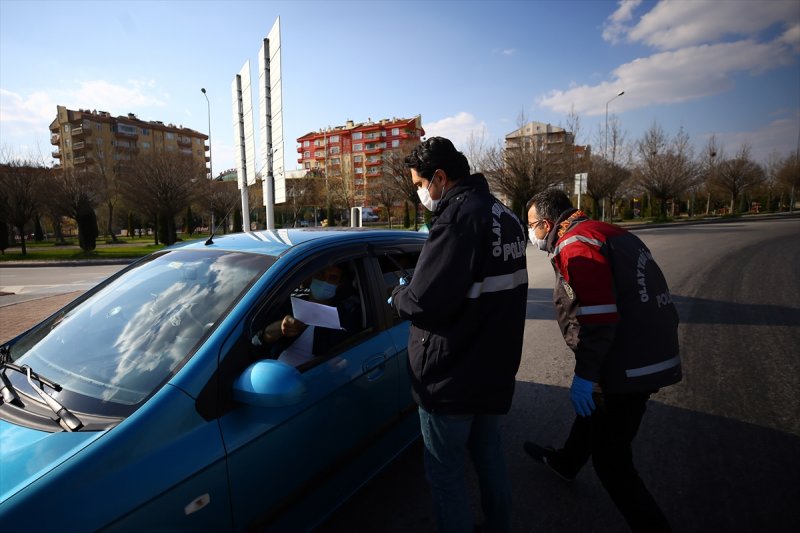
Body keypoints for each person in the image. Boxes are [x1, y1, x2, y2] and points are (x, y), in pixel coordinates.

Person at [389, 137, 528, 532]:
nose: (420, 193)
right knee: (488, 455)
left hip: (453, 375)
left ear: (440, 177)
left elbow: (423, 303)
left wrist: (398, 293)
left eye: (419, 184)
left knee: (446, 473)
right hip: (494, 366)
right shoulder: (506, 215)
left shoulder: (458, 220)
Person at [524, 188, 681, 533]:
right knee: (594, 411)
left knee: (612, 462)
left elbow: (599, 318)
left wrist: (586, 374)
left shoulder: (575, 245)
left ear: (547, 223)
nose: (531, 234)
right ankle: (566, 462)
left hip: (627, 361)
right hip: (650, 348)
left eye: (531, 226)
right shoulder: (608, 232)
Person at [255, 263, 361, 366]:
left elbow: (347, 355)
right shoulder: (290, 301)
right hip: (274, 369)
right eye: (320, 275)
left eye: (332, 278)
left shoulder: (344, 315)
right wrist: (281, 326)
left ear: (339, 284)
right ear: (312, 276)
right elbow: (258, 340)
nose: (324, 281)